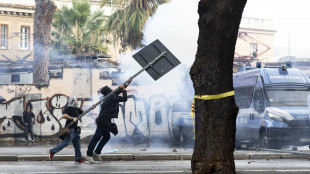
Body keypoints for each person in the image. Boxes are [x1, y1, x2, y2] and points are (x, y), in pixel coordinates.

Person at [84, 82, 130, 163]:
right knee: (96, 137)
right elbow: (124, 99)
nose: (111, 90)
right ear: (108, 91)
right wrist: (124, 90)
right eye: (110, 89)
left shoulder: (109, 96)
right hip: (103, 120)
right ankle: (89, 155)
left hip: (105, 120)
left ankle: (97, 153)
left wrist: (126, 84)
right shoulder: (111, 97)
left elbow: (118, 90)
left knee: (106, 137)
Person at [49, 96, 85, 163]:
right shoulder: (69, 108)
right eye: (76, 100)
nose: (77, 101)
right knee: (66, 142)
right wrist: (72, 118)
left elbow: (83, 112)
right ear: (72, 101)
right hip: (70, 129)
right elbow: (64, 115)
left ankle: (78, 158)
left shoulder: (76, 108)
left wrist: (92, 108)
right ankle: (52, 151)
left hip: (76, 130)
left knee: (77, 145)